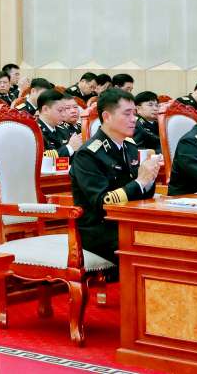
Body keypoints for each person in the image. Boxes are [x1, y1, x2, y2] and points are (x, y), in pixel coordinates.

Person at [70, 89, 164, 263]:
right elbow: (103, 202)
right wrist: (140, 181)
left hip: (128, 222)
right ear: (107, 116)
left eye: (134, 113)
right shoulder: (88, 154)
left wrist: (149, 179)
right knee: (156, 246)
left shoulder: (129, 146)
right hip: (101, 230)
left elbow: (140, 194)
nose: (134, 119)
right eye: (127, 114)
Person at [36, 89, 83, 157]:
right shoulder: (35, 133)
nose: (64, 114)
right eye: (60, 110)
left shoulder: (63, 129)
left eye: (64, 110)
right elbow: (43, 158)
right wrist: (70, 148)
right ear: (45, 109)